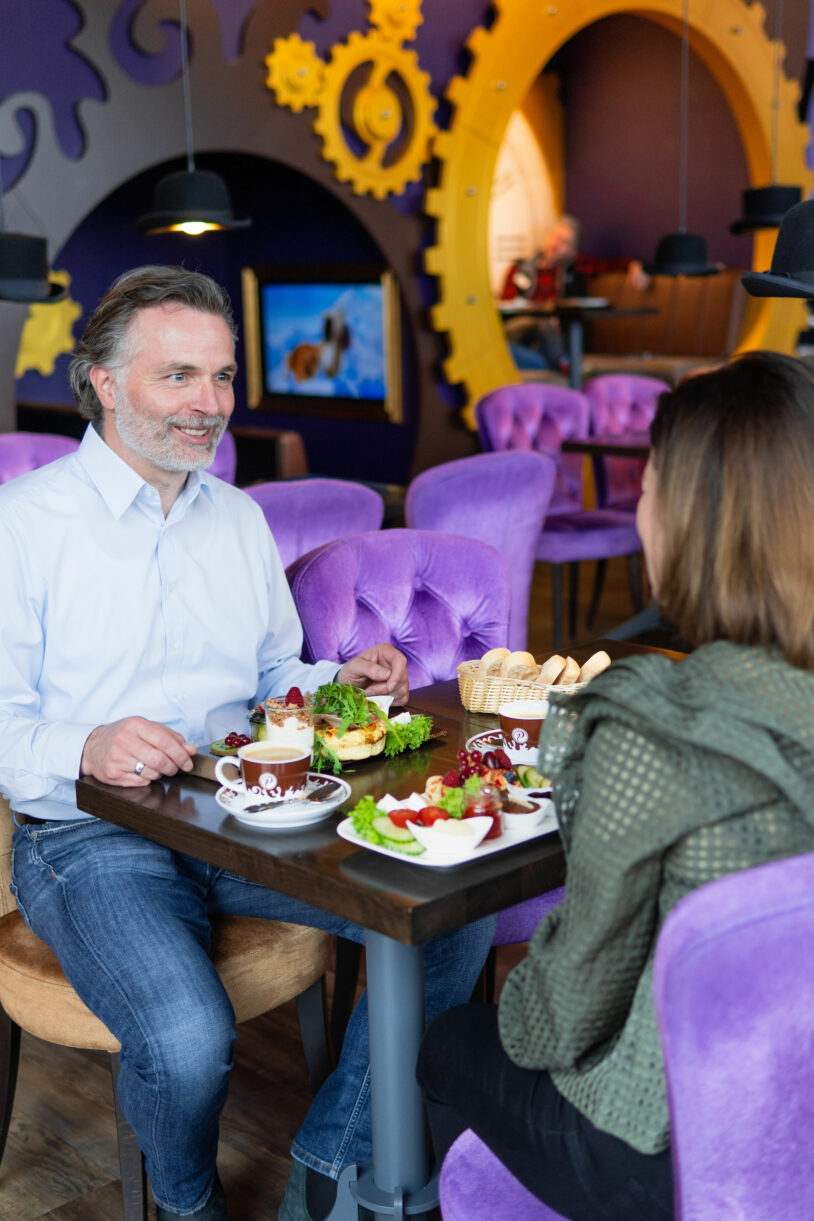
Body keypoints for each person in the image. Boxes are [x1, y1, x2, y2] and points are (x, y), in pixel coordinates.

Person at [0, 265, 495, 1220]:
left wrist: (334, 682)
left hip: (243, 801)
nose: (210, 404)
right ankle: (185, 1205)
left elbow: (271, 678)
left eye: (222, 378)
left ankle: (328, 1161)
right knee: (186, 1037)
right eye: (178, 376)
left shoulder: (237, 518)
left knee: (452, 908)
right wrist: (86, 746)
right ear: (104, 382)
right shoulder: (22, 526)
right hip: (84, 835)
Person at [417, 351, 814, 1221]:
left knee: (447, 1044)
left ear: (691, 522)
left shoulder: (646, 728)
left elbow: (556, 1018)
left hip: (664, 1154)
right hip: (799, 1126)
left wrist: (513, 986)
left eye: (650, 485)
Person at [500, 215, 650, 370]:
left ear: (572, 252)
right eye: (556, 238)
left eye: (564, 242)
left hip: (553, 342)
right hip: (518, 331)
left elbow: (611, 264)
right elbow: (506, 304)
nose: (557, 245)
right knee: (538, 322)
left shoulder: (575, 267)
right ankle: (563, 365)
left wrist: (635, 266)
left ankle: (559, 365)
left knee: (542, 333)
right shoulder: (520, 268)